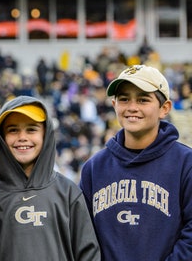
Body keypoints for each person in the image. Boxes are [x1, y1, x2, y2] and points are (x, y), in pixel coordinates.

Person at [0, 95, 100, 260]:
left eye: (31, 129)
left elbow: (88, 254)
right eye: (13, 130)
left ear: (46, 135)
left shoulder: (68, 193)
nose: (22, 137)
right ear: (2, 137)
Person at [79, 64, 192, 260]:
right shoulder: (94, 167)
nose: (132, 107)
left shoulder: (185, 163)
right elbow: (82, 235)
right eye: (124, 99)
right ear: (114, 105)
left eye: (143, 99)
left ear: (164, 108)